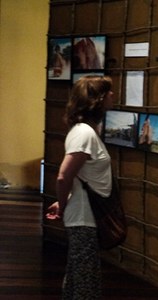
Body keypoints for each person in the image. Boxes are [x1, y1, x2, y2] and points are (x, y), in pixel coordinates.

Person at [46, 75, 114, 299]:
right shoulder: (84, 133)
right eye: (108, 92)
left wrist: (63, 201)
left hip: (85, 213)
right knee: (86, 279)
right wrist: (64, 205)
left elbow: (75, 178)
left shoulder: (84, 131)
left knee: (79, 274)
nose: (113, 95)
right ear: (97, 99)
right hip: (85, 217)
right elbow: (63, 177)